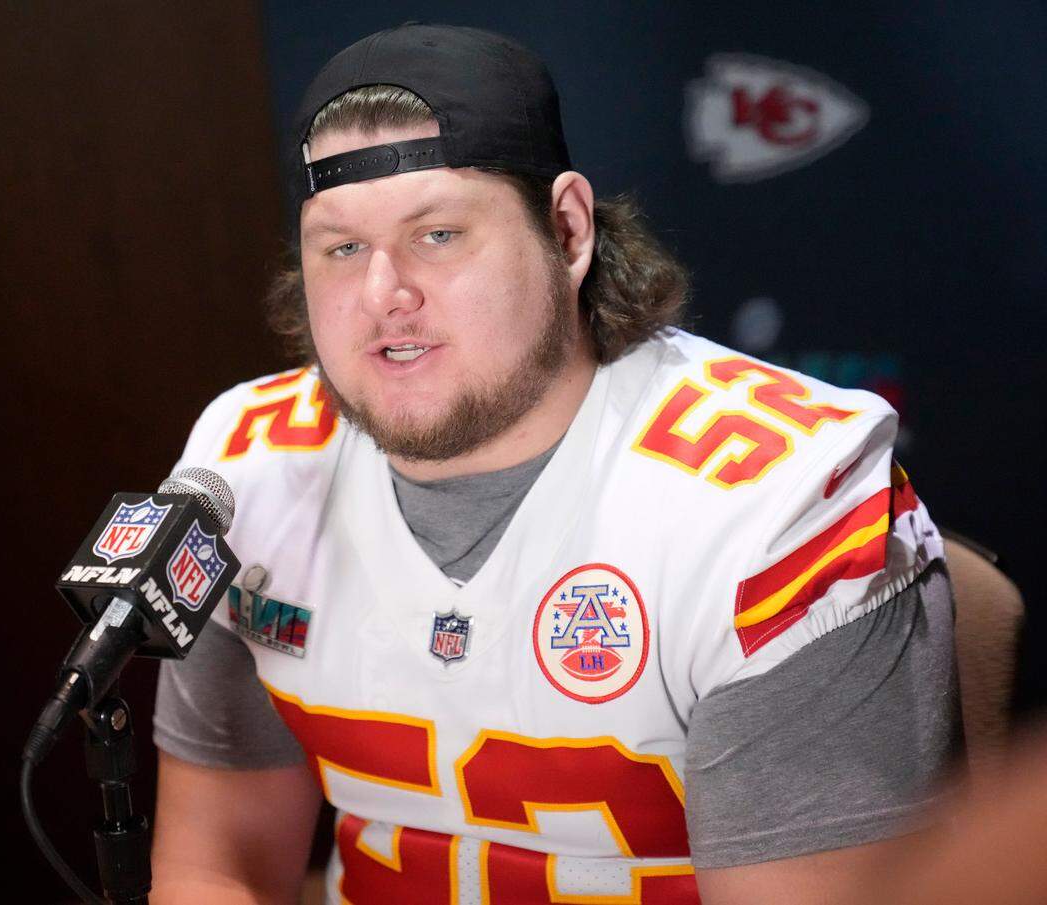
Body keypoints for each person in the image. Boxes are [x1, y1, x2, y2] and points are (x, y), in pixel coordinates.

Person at [150, 23, 957, 905]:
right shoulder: (245, 463)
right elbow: (212, 867)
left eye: (439, 234)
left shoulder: (780, 498)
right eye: (342, 248)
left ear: (568, 232)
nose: (384, 294)